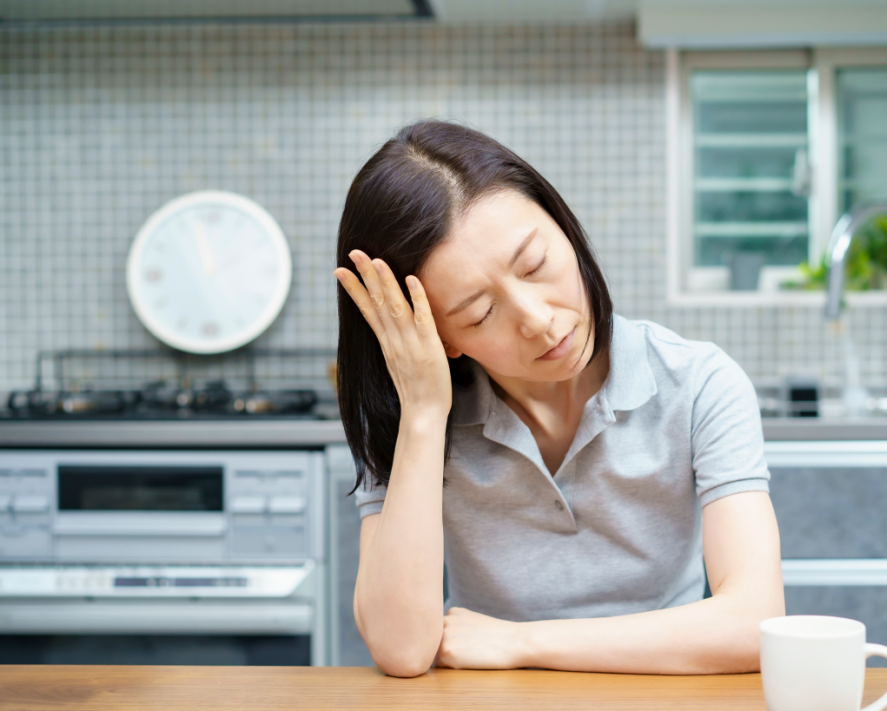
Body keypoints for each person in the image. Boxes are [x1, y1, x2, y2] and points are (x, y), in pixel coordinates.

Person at [333, 120, 784, 678]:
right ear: (439, 338)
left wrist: (522, 644)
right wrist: (424, 416)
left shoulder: (699, 383)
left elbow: (754, 623)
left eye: (536, 265)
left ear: (563, 226)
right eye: (480, 313)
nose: (540, 322)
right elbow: (401, 650)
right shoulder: (410, 413)